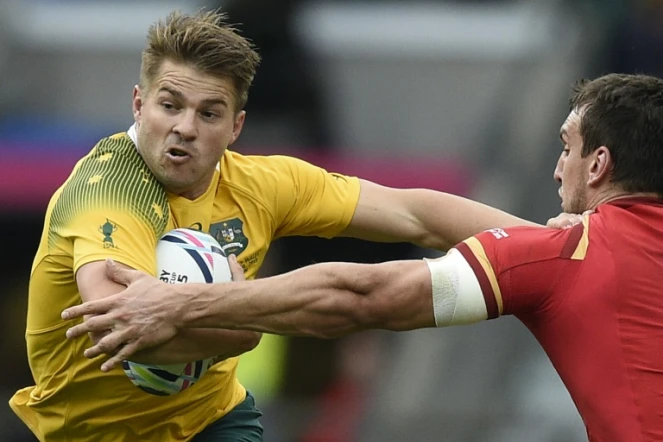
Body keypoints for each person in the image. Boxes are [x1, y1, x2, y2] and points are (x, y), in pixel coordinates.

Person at [9, 8, 570, 442]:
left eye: (208, 113)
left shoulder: (261, 184)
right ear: (137, 104)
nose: (183, 127)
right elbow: (123, 335)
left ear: (236, 126)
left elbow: (413, 213)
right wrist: (244, 317)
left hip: (213, 421)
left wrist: (558, 244)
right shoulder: (111, 190)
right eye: (168, 105)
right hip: (86, 431)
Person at [64, 73, 663, 441]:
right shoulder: (577, 252)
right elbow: (426, 218)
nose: (557, 165)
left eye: (567, 147)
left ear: (600, 164)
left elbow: (359, 297)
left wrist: (179, 303)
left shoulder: (571, 255)